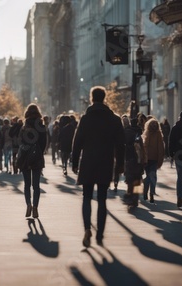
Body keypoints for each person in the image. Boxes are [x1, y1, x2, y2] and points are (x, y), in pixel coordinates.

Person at [72, 86, 125, 247]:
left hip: (88, 161)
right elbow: (120, 145)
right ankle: (100, 235)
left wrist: (75, 163)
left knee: (86, 197)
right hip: (105, 162)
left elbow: (77, 142)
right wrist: (120, 166)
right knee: (102, 199)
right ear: (104, 98)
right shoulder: (114, 119)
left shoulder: (85, 119)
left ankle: (87, 228)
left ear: (91, 98)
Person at [17, 104, 47, 219]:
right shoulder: (41, 126)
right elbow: (44, 143)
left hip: (25, 158)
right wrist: (39, 153)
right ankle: (35, 207)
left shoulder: (24, 126)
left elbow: (20, 141)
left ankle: (28, 204)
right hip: (37, 158)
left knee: (27, 185)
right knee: (36, 185)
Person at [123, 118, 145, 207]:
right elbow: (142, 147)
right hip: (138, 159)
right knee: (137, 179)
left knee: (129, 178)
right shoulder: (139, 133)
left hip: (128, 158)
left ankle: (129, 195)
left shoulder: (126, 132)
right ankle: (136, 198)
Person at [142, 118, 165, 203]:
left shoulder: (146, 133)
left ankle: (145, 192)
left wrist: (144, 158)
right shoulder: (158, 134)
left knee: (148, 176)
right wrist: (160, 159)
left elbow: (145, 147)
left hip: (147, 159)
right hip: (154, 158)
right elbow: (160, 148)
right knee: (153, 176)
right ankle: (151, 192)